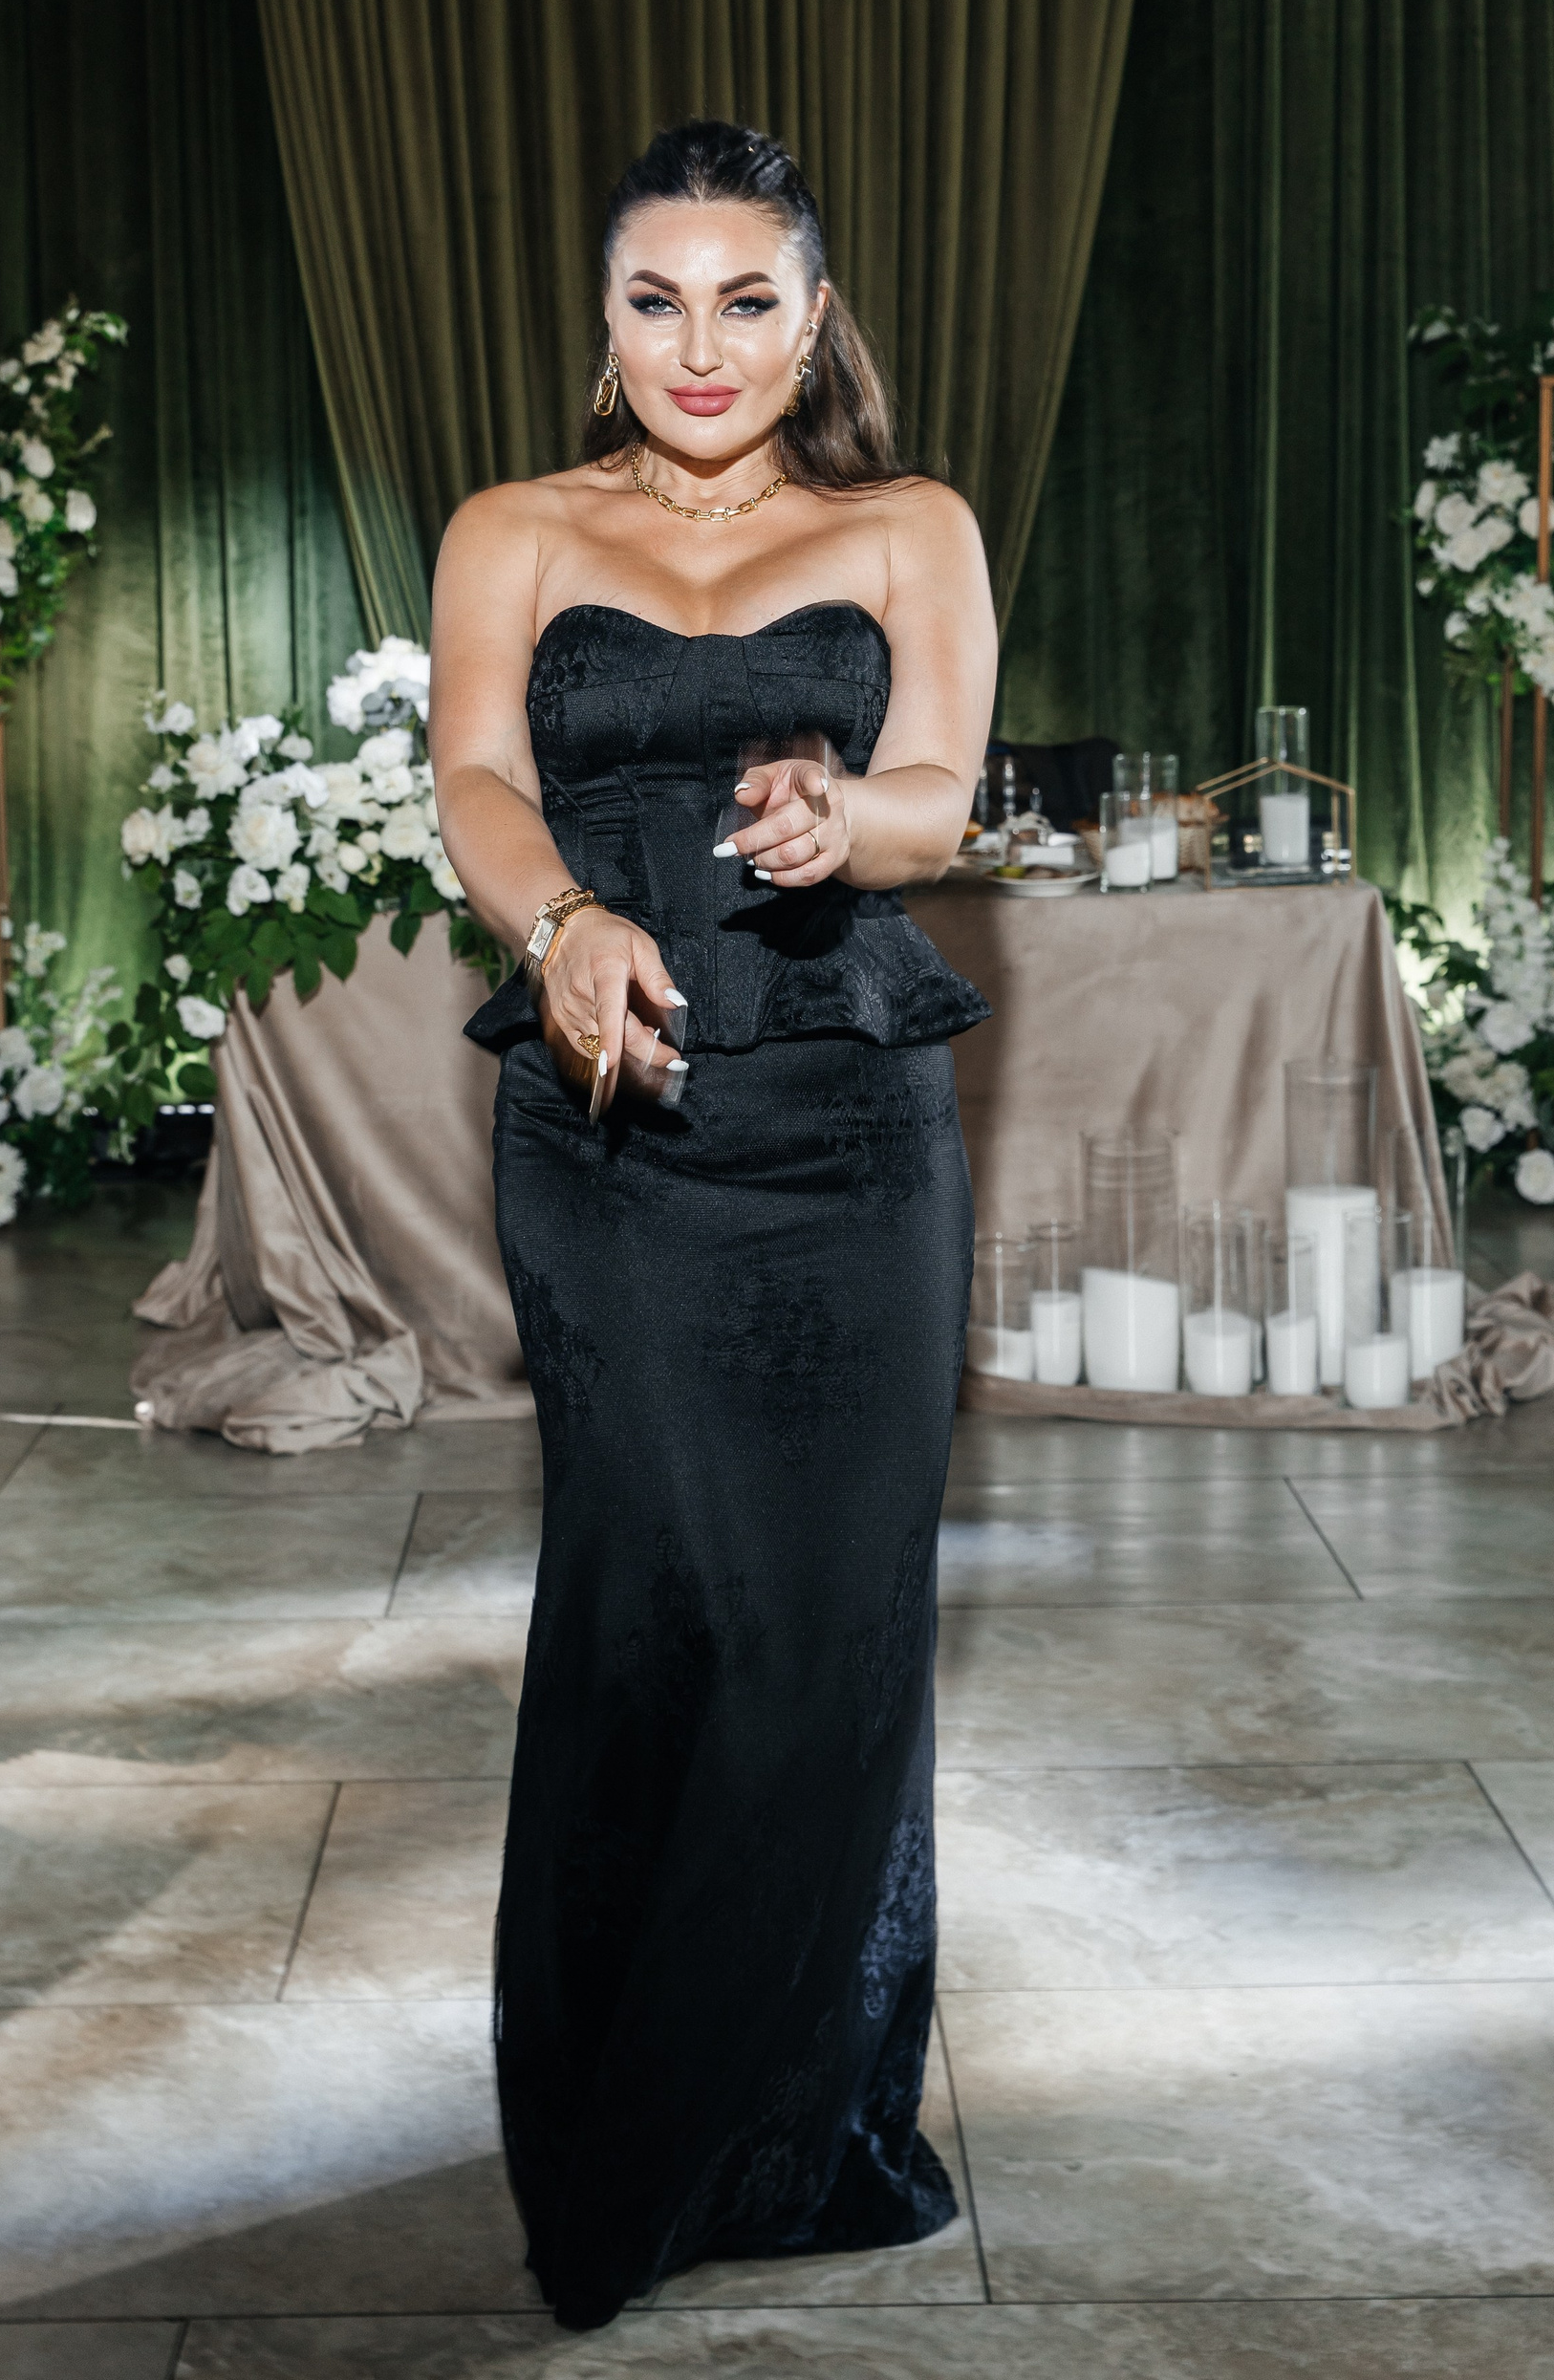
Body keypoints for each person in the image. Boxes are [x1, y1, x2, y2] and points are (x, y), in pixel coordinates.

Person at [430, 118, 997, 2330]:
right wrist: (561, 922)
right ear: (604, 317)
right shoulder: (514, 529)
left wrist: (851, 813)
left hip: (853, 1135)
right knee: (654, 1610)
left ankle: (790, 2118)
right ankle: (622, 2130)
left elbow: (943, 793)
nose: (701, 344)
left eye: (748, 299)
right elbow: (479, 779)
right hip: (612, 1147)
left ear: (813, 316)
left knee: (832, 1628)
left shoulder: (908, 526)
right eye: (656, 298)